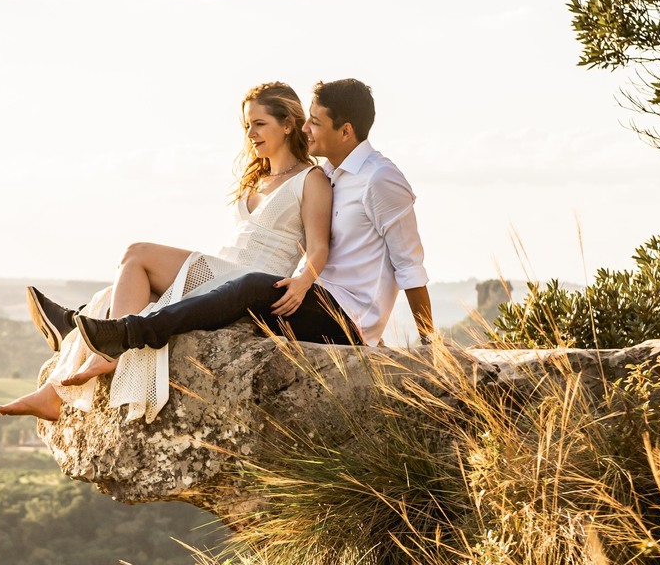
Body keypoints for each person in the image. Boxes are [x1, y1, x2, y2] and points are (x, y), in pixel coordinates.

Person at [0, 80, 351, 425]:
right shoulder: (255, 180)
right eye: (247, 125)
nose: (251, 133)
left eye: (259, 124)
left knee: (137, 253)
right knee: (116, 292)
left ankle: (109, 346)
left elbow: (319, 246)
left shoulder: (311, 179)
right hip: (223, 271)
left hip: (251, 281)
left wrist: (303, 282)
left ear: (288, 124)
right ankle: (52, 392)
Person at [55, 77, 432, 368]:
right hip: (314, 298)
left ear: (346, 130)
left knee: (247, 285)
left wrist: (431, 344)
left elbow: (409, 264)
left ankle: (131, 332)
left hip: (347, 320)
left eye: (315, 122)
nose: (305, 129)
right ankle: (82, 325)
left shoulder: (381, 179)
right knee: (205, 283)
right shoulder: (332, 174)